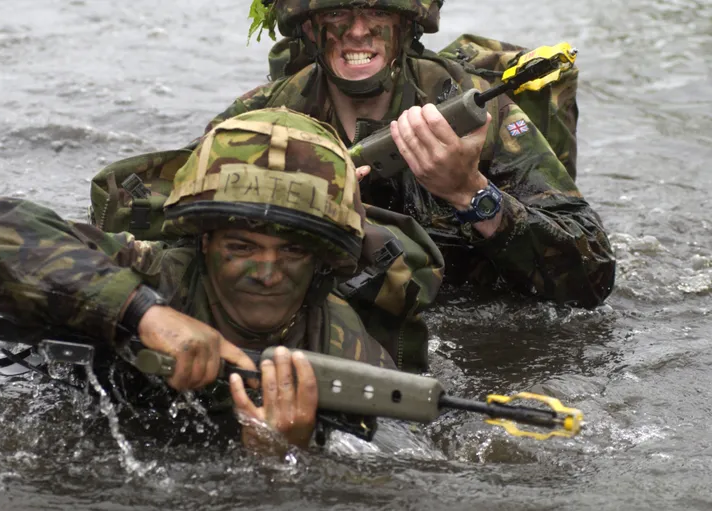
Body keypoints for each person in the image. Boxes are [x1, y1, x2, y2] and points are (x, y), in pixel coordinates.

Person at [0, 107, 443, 450]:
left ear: (321, 262)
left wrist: (285, 459)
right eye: (241, 246)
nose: (267, 273)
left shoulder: (345, 350)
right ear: (204, 242)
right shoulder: (152, 273)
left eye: (292, 251)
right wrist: (143, 313)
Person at [199, 0, 616, 308]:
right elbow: (176, 236)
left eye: (377, 12)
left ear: (406, 24)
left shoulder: (476, 111)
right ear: (308, 28)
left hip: (470, 317)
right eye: (336, 13)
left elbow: (594, 278)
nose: (358, 30)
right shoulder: (259, 122)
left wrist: (469, 192)